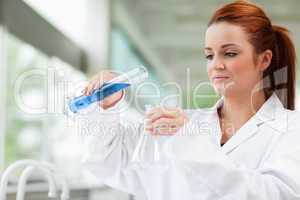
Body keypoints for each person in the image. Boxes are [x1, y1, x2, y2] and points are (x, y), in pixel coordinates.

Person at [79, 1, 300, 199]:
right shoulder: (181, 125)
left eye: (230, 53)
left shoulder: (291, 128)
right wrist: (106, 108)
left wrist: (191, 143)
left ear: (264, 60)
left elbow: (276, 195)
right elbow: (107, 163)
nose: (216, 65)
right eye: (209, 55)